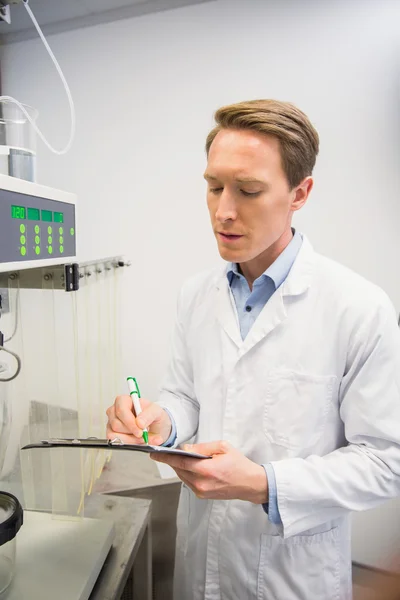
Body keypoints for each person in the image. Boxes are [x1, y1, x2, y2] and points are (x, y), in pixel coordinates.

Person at [106, 99, 400, 600]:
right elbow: (186, 394)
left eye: (248, 190)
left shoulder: (358, 307)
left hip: (295, 575)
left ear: (299, 193)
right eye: (214, 186)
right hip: (201, 563)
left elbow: (385, 461)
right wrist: (164, 421)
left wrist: (264, 484)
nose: (223, 210)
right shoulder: (196, 295)